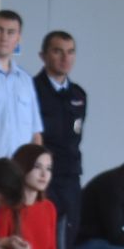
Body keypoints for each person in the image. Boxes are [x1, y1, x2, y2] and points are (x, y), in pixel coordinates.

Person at [33, 30, 87, 234]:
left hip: (70, 175)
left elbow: (76, 135)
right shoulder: (32, 89)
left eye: (70, 52)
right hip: (43, 175)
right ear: (43, 55)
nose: (65, 58)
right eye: (58, 51)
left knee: (69, 235)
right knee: (44, 232)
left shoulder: (78, 94)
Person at [0, 9, 43, 162]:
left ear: (18, 38)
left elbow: (35, 133)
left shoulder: (26, 80)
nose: (4, 37)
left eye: (11, 32)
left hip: (20, 169)